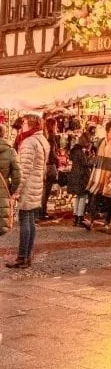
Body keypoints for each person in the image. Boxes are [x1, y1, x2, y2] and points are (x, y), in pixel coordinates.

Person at [6, 115, 49, 269]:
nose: (22, 125)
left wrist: (16, 190)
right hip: (36, 185)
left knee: (25, 220)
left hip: (28, 187)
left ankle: (22, 257)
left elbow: (23, 170)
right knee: (30, 220)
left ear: (30, 125)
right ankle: (27, 256)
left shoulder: (29, 142)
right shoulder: (41, 139)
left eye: (24, 123)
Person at [83, 122, 111, 230]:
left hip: (110, 174)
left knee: (109, 198)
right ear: (107, 132)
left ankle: (108, 221)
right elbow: (95, 154)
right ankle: (91, 221)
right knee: (94, 195)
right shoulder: (101, 141)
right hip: (99, 173)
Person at [67, 133, 93, 228]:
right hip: (81, 177)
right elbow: (85, 164)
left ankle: (76, 217)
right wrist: (91, 161)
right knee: (82, 197)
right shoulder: (80, 152)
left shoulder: (74, 151)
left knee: (77, 197)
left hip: (75, 176)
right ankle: (80, 217)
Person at [0, 124, 21, 236]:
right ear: (3, 134)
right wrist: (10, 190)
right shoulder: (10, 151)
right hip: (3, 191)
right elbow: (17, 176)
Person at [40, 117, 59, 222]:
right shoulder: (51, 138)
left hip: (43, 165)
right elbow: (52, 153)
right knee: (46, 191)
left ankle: (42, 211)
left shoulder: (42, 137)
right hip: (49, 166)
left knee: (43, 190)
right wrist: (58, 160)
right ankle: (42, 212)